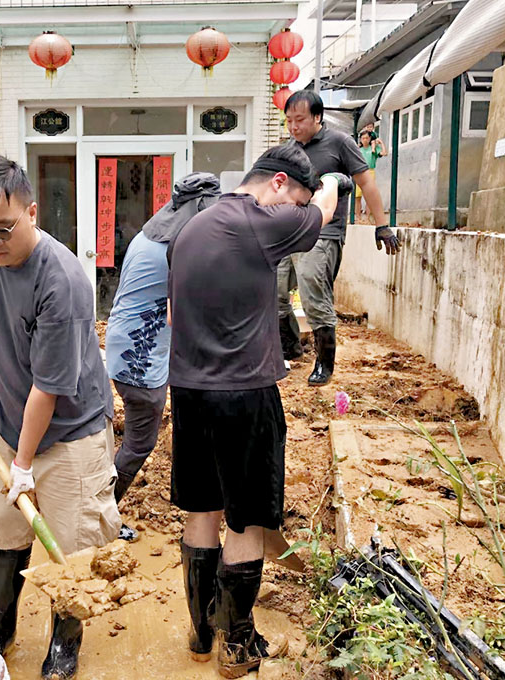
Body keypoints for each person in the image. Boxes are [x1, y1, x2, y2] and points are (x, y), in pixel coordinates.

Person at [168, 145, 349, 677]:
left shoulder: (192, 228)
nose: (290, 208)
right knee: (245, 517)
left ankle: (202, 634)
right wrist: (330, 181)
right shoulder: (261, 222)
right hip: (243, 392)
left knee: (201, 509)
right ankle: (237, 645)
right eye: (289, 196)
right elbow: (323, 212)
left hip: (190, 388)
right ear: (275, 184)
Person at [0, 156, 118, 680]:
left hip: (71, 433)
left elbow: (49, 388)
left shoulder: (62, 281)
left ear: (32, 212)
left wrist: (22, 464)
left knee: (70, 542)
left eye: (4, 230)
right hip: (11, 420)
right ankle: (2, 627)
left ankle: (64, 643)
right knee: (4, 529)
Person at [105, 172, 220, 543]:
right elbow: (180, 313)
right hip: (140, 357)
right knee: (140, 442)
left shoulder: (151, 233)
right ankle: (102, 518)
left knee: (136, 438)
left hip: (128, 345)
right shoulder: (178, 246)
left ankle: (94, 506)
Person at [278, 90, 400, 386]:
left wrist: (381, 225)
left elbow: (366, 183)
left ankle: (324, 363)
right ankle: (290, 348)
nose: (294, 127)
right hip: (289, 231)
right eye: (289, 121)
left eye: (300, 120)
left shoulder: (340, 143)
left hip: (324, 232)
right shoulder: (288, 148)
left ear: (317, 117)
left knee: (312, 291)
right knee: (274, 291)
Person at [354, 130, 387, 220]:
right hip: (359, 172)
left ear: (370, 139)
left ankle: (368, 217)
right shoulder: (358, 149)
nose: (365, 140)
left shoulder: (373, 149)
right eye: (363, 138)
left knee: (369, 195)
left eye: (367, 138)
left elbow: (384, 153)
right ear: (360, 139)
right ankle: (358, 217)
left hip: (370, 171)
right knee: (357, 196)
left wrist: (381, 143)